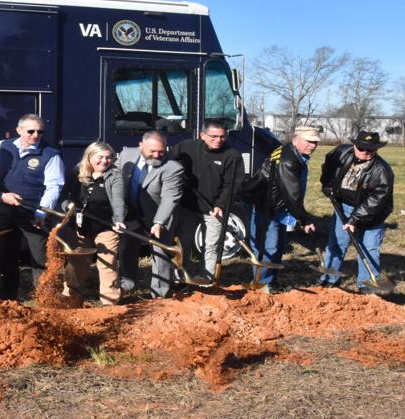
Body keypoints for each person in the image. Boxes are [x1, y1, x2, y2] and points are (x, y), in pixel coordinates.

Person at [0, 114, 63, 300]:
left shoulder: (50, 154)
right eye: (30, 131)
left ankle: (45, 299)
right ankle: (7, 299)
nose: (35, 135)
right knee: (6, 255)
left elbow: (54, 187)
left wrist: (41, 213)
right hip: (6, 211)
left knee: (40, 257)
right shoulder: (3, 146)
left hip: (33, 214)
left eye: (40, 131)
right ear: (19, 130)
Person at [317, 130, 396, 292]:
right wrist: (327, 184)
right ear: (354, 145)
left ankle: (367, 285)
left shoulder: (382, 170)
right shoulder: (341, 152)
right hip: (344, 206)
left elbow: (376, 200)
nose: (366, 153)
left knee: (369, 248)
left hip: (373, 213)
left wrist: (354, 219)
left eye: (370, 150)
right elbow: (328, 165)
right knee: (336, 244)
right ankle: (330, 279)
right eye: (361, 148)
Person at [245, 125, 319, 294]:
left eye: (315, 142)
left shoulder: (293, 153)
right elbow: (291, 194)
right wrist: (304, 219)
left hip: (276, 205)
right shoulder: (288, 159)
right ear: (296, 139)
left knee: (277, 245)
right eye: (309, 141)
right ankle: (261, 285)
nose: (313, 145)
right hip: (266, 205)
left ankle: (270, 281)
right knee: (268, 247)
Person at [116, 131, 186, 297]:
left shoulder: (173, 168)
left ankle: (160, 293)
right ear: (141, 146)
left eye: (161, 151)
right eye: (152, 151)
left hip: (159, 214)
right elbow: (116, 179)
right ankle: (128, 282)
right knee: (126, 248)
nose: (157, 155)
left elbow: (170, 197)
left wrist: (159, 222)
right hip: (131, 212)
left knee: (160, 252)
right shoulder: (126, 155)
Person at [172, 119, 243, 280]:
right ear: (202, 135)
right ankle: (182, 276)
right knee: (183, 243)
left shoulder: (232, 156)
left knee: (211, 245)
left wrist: (221, 204)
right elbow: (169, 161)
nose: (218, 140)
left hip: (214, 208)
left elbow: (232, 185)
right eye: (214, 136)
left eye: (222, 137)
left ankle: (207, 278)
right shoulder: (187, 147)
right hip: (187, 206)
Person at [61, 142, 127, 305]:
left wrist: (119, 220)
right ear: (89, 157)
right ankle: (71, 299)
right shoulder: (77, 172)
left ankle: (110, 302)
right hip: (80, 227)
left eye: (109, 157)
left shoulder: (115, 175)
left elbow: (118, 201)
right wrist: (68, 206)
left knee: (108, 263)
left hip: (106, 227)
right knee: (77, 264)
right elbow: (65, 196)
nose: (105, 161)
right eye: (100, 157)